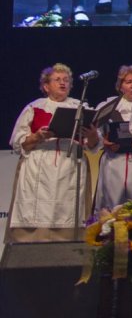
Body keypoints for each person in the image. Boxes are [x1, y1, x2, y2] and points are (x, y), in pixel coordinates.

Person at [7, 63, 100, 242]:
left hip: (70, 165)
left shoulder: (82, 108)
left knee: (69, 211)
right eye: (57, 80)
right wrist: (37, 136)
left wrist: (93, 135)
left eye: (66, 80)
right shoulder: (34, 107)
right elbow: (17, 142)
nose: (63, 83)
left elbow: (92, 145)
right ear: (46, 86)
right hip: (39, 167)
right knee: (37, 210)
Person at [94, 65, 132, 211]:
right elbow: (94, 132)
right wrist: (103, 142)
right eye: (128, 82)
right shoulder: (109, 106)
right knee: (113, 207)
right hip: (114, 162)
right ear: (120, 86)